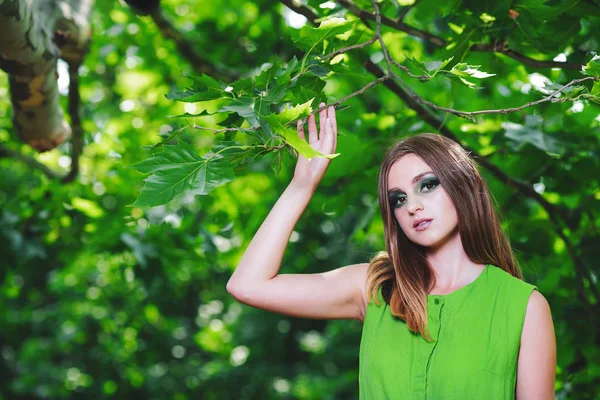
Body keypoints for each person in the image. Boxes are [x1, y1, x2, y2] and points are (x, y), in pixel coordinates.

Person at [226, 103, 556, 399]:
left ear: (463, 185)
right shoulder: (376, 287)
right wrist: (303, 184)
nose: (412, 206)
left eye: (427, 185)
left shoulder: (523, 306)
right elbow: (247, 285)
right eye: (398, 199)